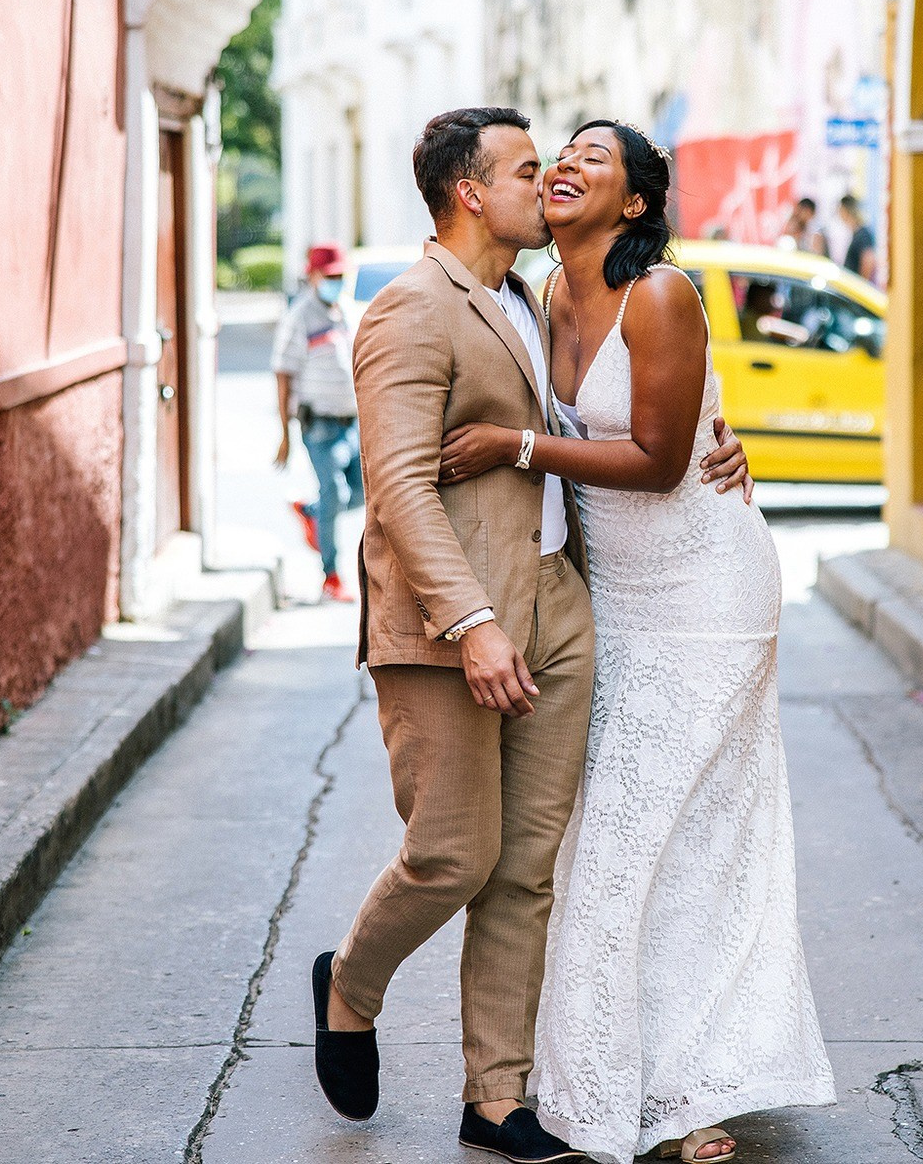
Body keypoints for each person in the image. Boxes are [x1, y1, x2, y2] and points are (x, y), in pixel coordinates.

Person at [309, 108, 752, 1164]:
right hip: (448, 624)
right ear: (471, 193)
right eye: (523, 166)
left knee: (527, 868)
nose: (543, 175)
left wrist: (720, 445)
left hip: (559, 603)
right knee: (453, 853)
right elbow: (400, 488)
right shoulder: (408, 310)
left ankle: (494, 1096)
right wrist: (468, 622)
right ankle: (348, 985)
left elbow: (632, 416)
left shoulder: (530, 293)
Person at [440, 121, 835, 1163]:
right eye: (556, 153)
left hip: (707, 594)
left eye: (591, 159)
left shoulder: (658, 292)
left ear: (631, 206)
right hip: (610, 595)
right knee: (624, 841)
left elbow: (662, 458)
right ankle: (648, 1071)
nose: (563, 165)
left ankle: (669, 1091)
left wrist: (517, 442)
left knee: (648, 840)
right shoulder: (538, 297)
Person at [272, 243, 363, 602]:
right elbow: (283, 375)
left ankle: (311, 512)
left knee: (361, 494)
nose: (336, 282)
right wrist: (284, 434)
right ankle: (331, 577)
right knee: (335, 493)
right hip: (319, 426)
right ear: (312, 276)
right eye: (330, 277)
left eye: (341, 276)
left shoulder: (345, 313)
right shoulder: (300, 317)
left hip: (352, 424)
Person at [838, 193, 878, 283]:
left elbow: (868, 260)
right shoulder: (856, 234)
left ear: (845, 210)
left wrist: (862, 285)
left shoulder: (862, 234)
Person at [778, 195, 828, 260]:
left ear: (808, 211)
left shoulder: (816, 231)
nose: (798, 214)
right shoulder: (800, 226)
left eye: (801, 210)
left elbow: (818, 255)